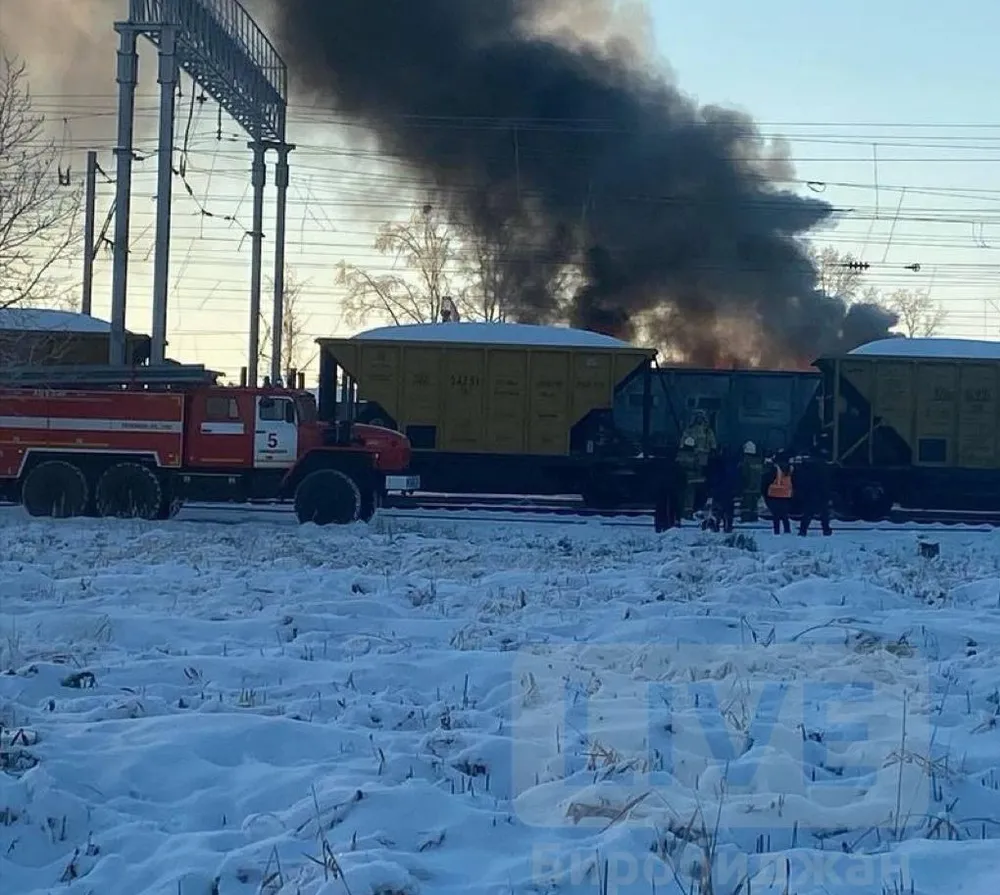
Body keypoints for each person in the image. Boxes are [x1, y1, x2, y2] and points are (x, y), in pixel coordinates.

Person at [794, 450, 833, 536]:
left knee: (808, 513)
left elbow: (801, 480)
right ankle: (826, 530)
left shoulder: (807, 466)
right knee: (824, 513)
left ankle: (803, 530)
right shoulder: (824, 467)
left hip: (810, 493)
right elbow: (826, 482)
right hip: (821, 493)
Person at [705, 447, 740, 533]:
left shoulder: (717, 463)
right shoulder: (733, 464)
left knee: (718, 509)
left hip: (719, 490)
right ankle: (728, 526)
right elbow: (736, 477)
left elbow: (713, 477)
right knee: (728, 510)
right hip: (729, 490)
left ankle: (717, 525)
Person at [761, 451, 794, 534]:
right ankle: (787, 530)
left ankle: (777, 531)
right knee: (784, 515)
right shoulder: (791, 468)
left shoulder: (775, 468)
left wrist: (764, 492)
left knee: (776, 515)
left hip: (774, 494)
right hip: (786, 494)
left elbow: (767, 480)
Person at [739, 441, 763, 522]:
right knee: (754, 505)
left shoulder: (746, 461)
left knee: (746, 505)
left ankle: (745, 519)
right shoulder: (758, 460)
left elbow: (744, 474)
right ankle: (754, 518)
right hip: (757, 488)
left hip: (748, 488)